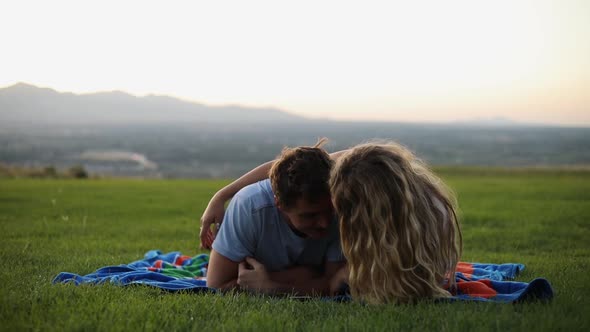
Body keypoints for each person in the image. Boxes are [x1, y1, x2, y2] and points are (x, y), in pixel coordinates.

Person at [201, 140, 461, 303]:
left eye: (339, 209)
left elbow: (336, 284)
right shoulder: (358, 165)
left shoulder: (426, 219)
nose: (330, 221)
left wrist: (274, 285)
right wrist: (222, 195)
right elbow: (287, 167)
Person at [205, 139, 346, 295]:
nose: (325, 223)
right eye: (310, 216)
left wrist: (272, 287)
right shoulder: (250, 207)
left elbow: (334, 284)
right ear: (280, 204)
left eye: (329, 211)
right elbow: (217, 286)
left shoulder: (341, 201)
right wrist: (301, 275)